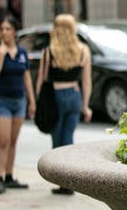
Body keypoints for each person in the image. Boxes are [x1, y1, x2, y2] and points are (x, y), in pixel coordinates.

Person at [35, 13, 92, 195]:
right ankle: (68, 183)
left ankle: (62, 182)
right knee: (68, 139)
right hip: (74, 95)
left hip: (56, 96)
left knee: (57, 140)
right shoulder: (82, 50)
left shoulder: (49, 52)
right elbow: (87, 81)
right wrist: (85, 105)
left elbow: (41, 80)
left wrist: (38, 103)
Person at [0, 16, 36, 194]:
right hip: (2, 101)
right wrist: (1, 55)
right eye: (2, 29)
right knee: (3, 141)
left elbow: (26, 78)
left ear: (15, 32)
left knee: (13, 142)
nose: (4, 32)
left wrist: (32, 101)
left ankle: (9, 176)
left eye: (8, 29)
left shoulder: (22, 53)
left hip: (19, 101)